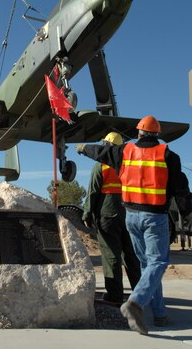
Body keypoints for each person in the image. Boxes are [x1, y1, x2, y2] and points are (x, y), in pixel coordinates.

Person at [77, 116, 192, 335]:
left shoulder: (125, 153)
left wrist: (82, 148)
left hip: (131, 217)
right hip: (154, 218)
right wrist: (186, 212)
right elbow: (181, 190)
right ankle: (135, 302)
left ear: (139, 133)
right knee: (158, 262)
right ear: (157, 135)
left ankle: (159, 314)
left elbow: (100, 153)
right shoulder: (168, 156)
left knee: (149, 265)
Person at [82, 132, 140, 306]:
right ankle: (139, 294)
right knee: (131, 255)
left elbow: (93, 191)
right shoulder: (130, 166)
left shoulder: (102, 165)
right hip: (129, 213)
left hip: (108, 215)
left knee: (111, 255)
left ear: (106, 145)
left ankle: (114, 295)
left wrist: (87, 213)